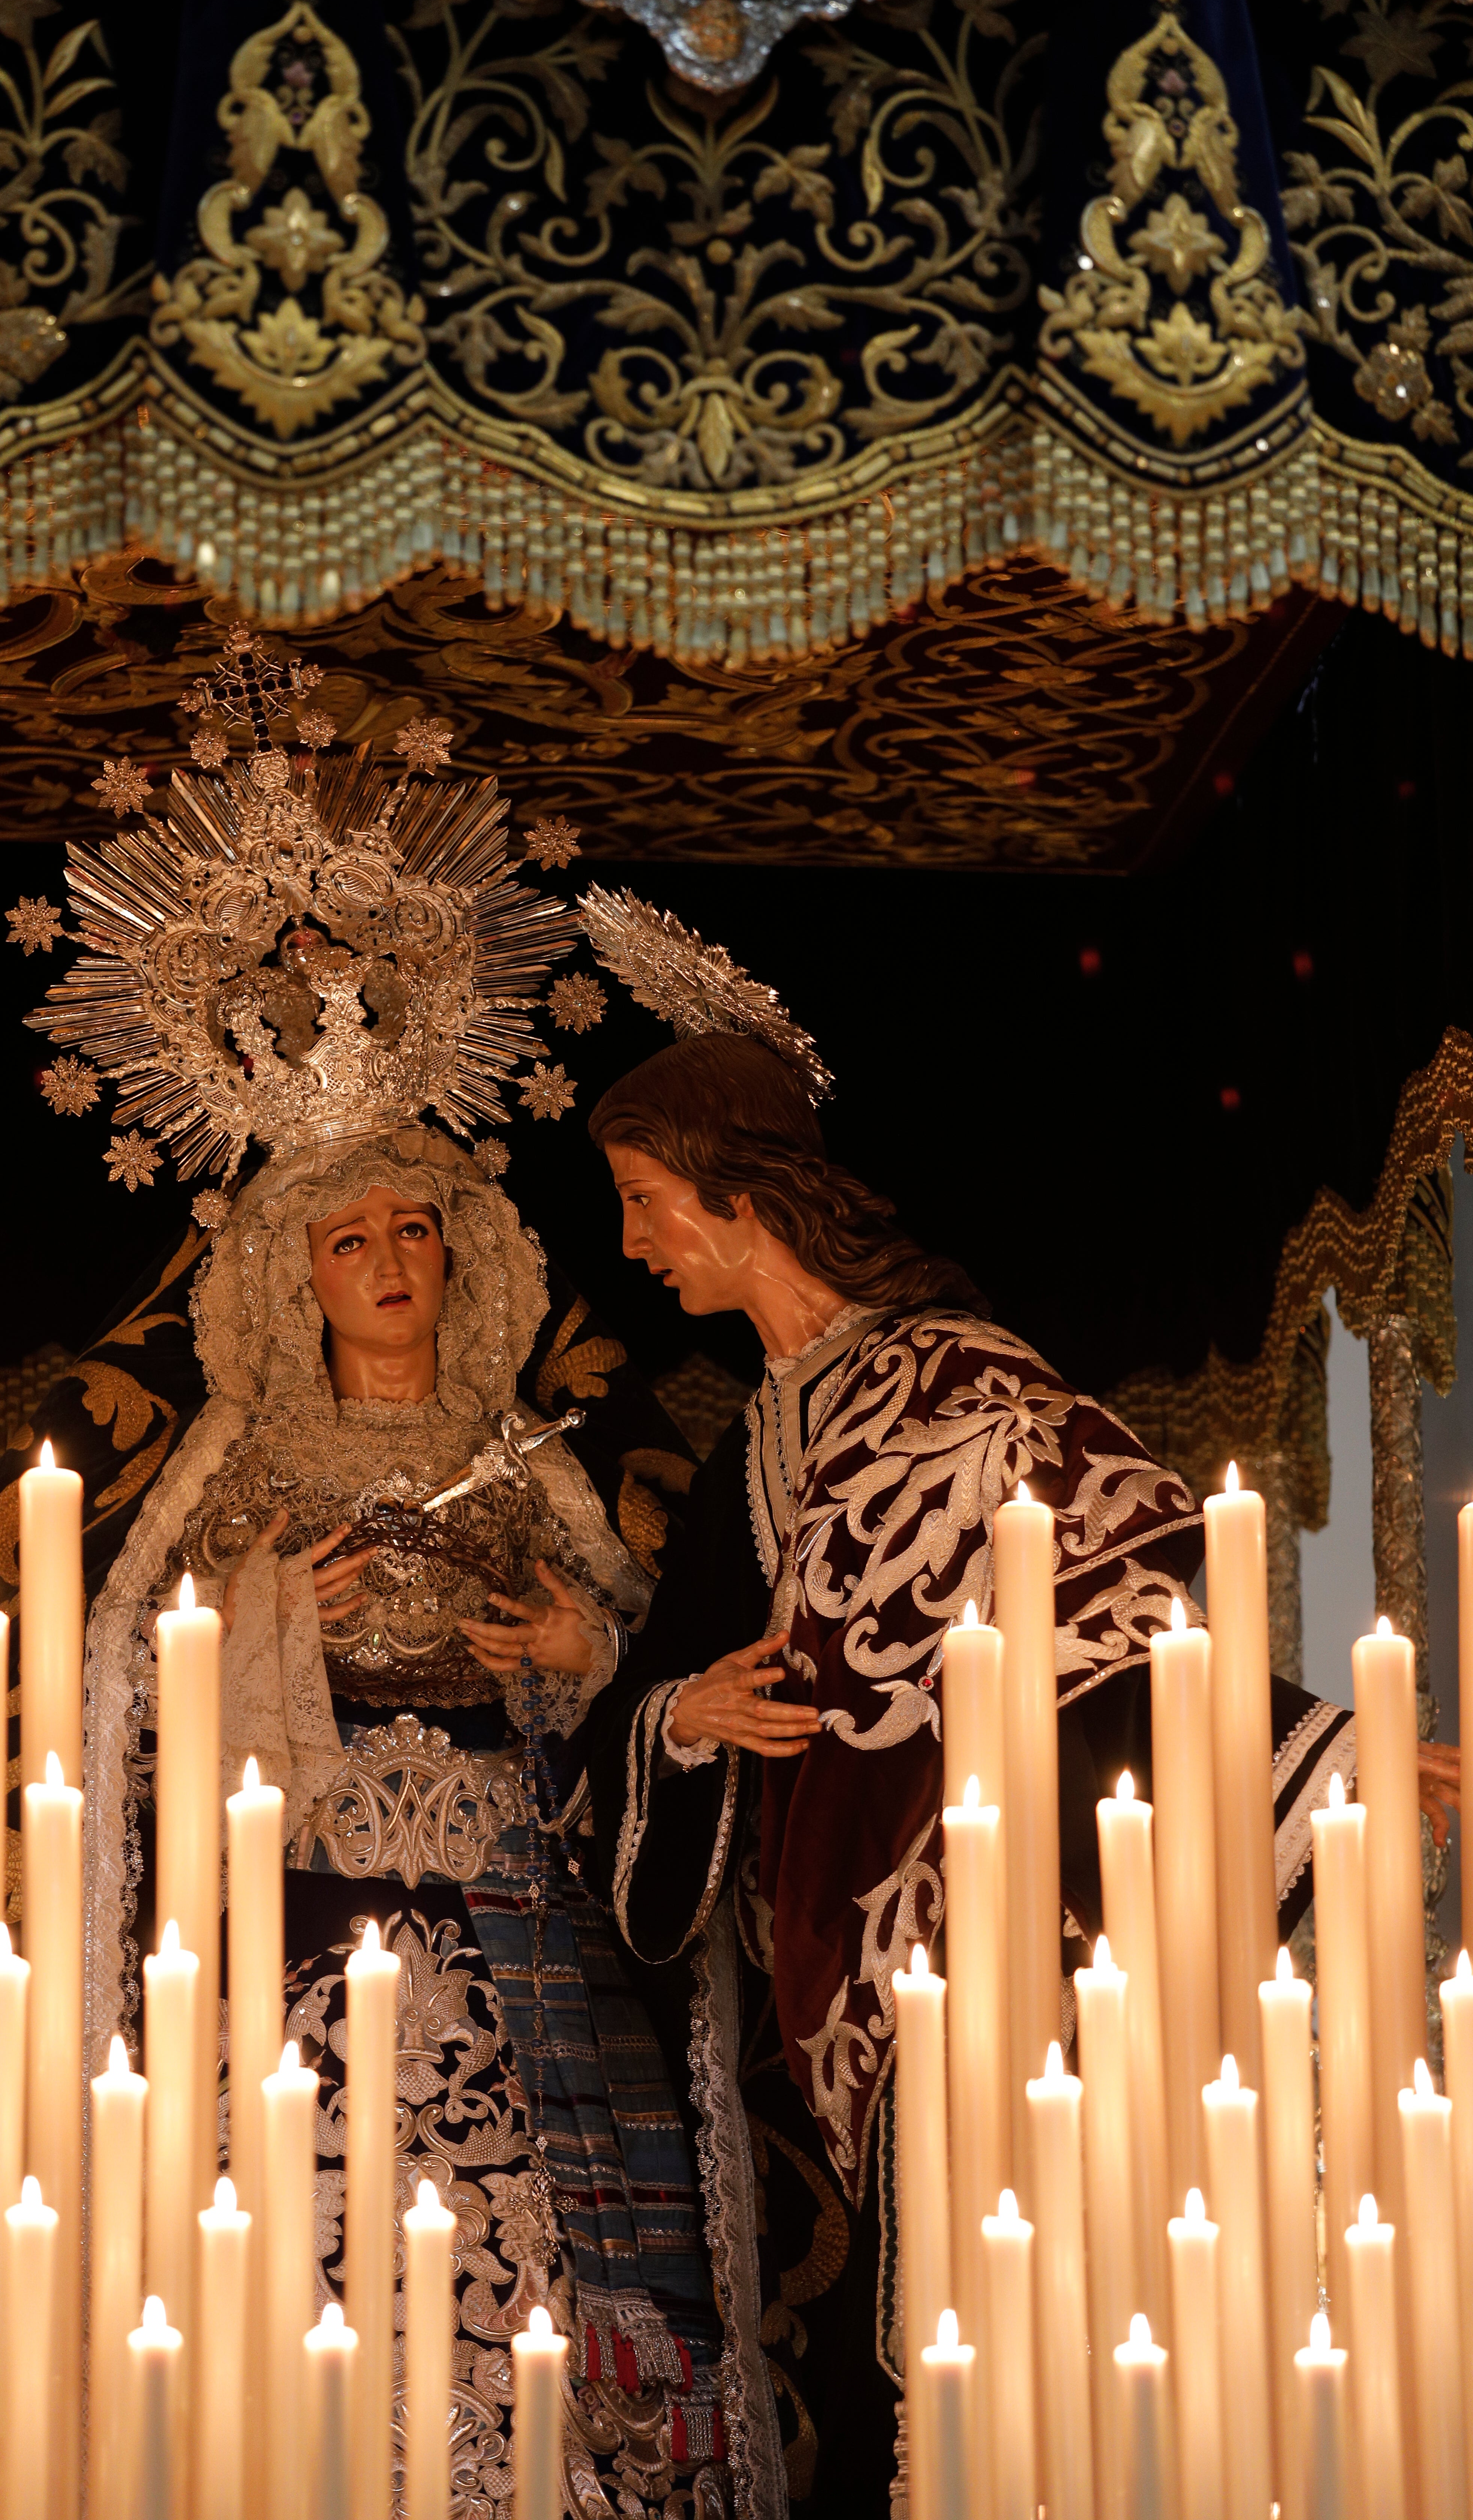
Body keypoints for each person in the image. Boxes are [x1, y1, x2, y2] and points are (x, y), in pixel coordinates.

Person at [0, 668, 730, 2517]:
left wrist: (577, 1653)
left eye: (414, 1228)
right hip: (302, 1947)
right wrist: (268, 1612)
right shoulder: (233, 1473)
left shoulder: (550, 1461)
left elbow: (637, 1696)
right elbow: (130, 1705)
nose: (388, 1262)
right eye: (346, 1241)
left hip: (516, 1934)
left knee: (547, 2286)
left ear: (467, 1252)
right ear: (292, 1280)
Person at [583, 1029, 1456, 2520]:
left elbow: (1129, 1592)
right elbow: (650, 1693)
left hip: (995, 1908)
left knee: (1025, 2297)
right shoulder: (752, 1446)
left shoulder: (955, 1376)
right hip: (834, 1958)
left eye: (647, 1198)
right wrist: (685, 1721)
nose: (635, 1244)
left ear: (739, 1196)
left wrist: (1325, 1745)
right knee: (911, 2342)